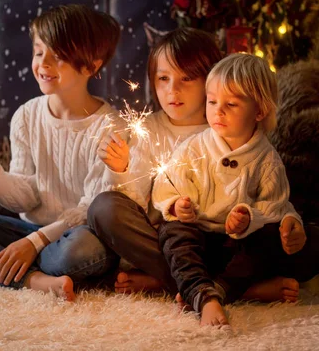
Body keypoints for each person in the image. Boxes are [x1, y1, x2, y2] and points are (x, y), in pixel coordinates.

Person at [0, 4, 124, 302]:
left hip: (78, 235)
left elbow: (90, 211)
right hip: (30, 231)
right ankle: (33, 279)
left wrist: (33, 243)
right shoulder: (26, 116)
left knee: (79, 252)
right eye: (38, 51)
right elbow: (26, 197)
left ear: (91, 66)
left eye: (57, 55)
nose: (43, 63)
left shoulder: (112, 128)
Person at [151, 53, 319, 326]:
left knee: (289, 241)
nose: (218, 111)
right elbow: (165, 184)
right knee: (172, 233)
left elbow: (275, 205)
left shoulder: (267, 160)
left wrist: (249, 217)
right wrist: (176, 204)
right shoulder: (193, 148)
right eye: (212, 101)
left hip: (239, 250)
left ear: (259, 111)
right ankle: (203, 291)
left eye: (231, 104)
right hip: (199, 240)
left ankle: (218, 290)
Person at [89, 27, 222, 294]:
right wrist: (121, 169)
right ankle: (208, 284)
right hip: (160, 242)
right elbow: (133, 202)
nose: (173, 90)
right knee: (104, 208)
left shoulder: (223, 131)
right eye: (163, 78)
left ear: (209, 81)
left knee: (312, 243)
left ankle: (171, 280)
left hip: (214, 241)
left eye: (187, 78)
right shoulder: (147, 130)